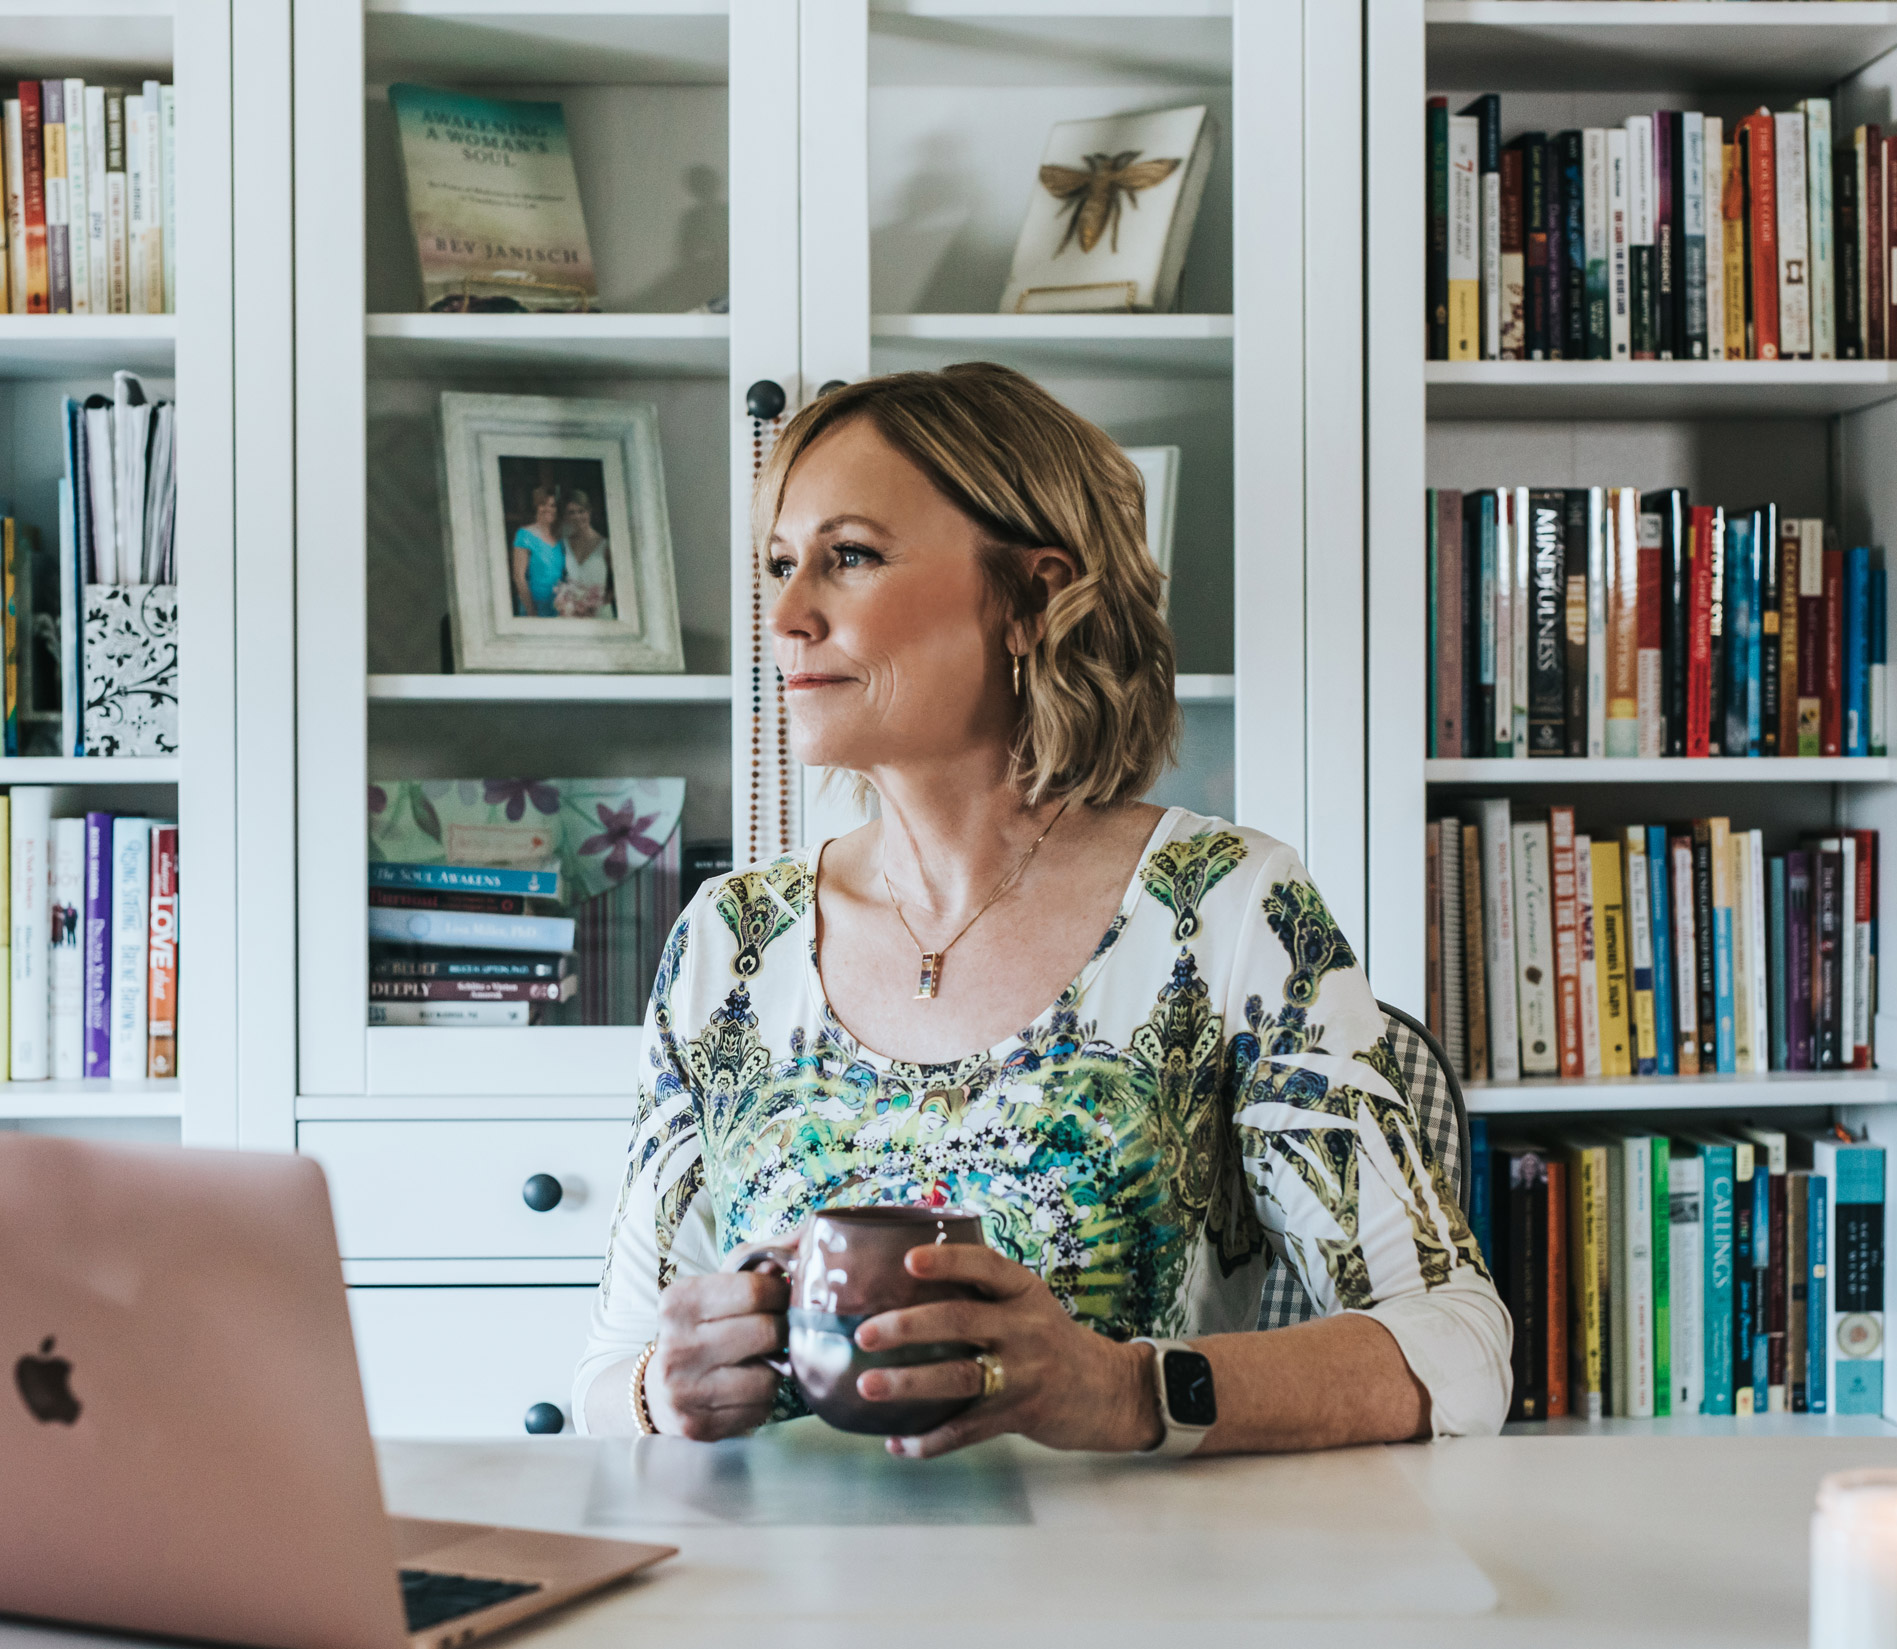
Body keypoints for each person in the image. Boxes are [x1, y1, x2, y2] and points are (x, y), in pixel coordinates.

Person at [575, 363, 1509, 1456]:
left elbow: (1454, 1349)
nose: (784, 616)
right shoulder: (727, 943)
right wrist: (659, 1390)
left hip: (1113, 1562)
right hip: (773, 1563)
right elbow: (604, 1375)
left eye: (850, 556)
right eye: (781, 565)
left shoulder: (1227, 910)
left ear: (1028, 598)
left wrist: (1124, 1388)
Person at [555, 487, 613, 619]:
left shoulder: (605, 545)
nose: (577, 517)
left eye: (581, 511)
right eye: (571, 513)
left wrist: (601, 602)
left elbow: (621, 580)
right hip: (573, 613)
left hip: (599, 613)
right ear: (566, 517)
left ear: (589, 512)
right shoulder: (564, 544)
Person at [510, 485, 564, 617]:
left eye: (553, 506)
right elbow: (519, 576)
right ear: (536, 507)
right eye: (543, 505)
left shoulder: (560, 538)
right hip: (535, 606)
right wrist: (531, 611)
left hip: (559, 607)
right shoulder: (525, 535)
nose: (548, 509)